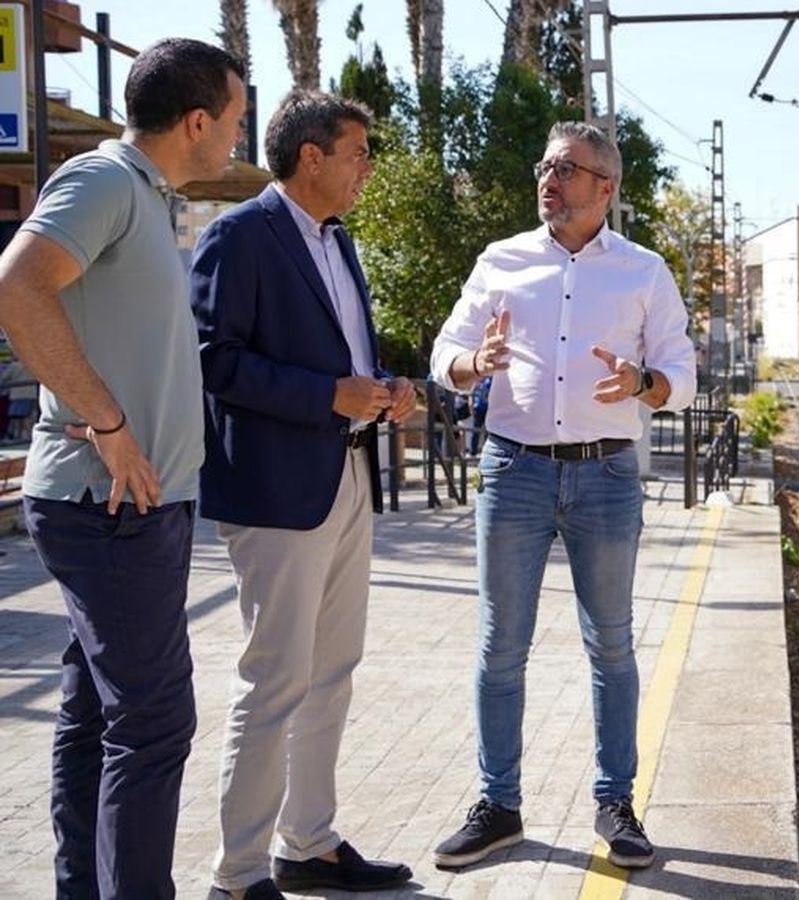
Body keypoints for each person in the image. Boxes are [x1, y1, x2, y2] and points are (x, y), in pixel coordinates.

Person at [0, 38, 245, 899]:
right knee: (153, 721)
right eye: (235, 120)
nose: (236, 139)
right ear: (197, 120)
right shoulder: (104, 180)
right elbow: (17, 285)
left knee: (99, 709)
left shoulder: (145, 195)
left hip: (136, 507)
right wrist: (105, 421)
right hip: (105, 506)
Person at [428, 121, 695, 871]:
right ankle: (499, 806)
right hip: (512, 472)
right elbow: (445, 350)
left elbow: (682, 370)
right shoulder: (500, 261)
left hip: (606, 477)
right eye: (545, 165)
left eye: (568, 169)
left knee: (611, 646)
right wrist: (468, 364)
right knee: (499, 645)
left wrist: (644, 383)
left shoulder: (643, 271)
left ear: (605, 188)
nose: (550, 179)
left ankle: (617, 805)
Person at [189, 90, 416, 900]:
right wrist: (329, 396)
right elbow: (215, 362)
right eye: (357, 153)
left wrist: (384, 389)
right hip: (279, 493)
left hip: (348, 477)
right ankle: (239, 873)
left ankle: (308, 844)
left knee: (333, 671)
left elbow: (343, 355)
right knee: (276, 679)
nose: (367, 170)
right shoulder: (238, 237)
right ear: (310, 157)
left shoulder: (338, 242)